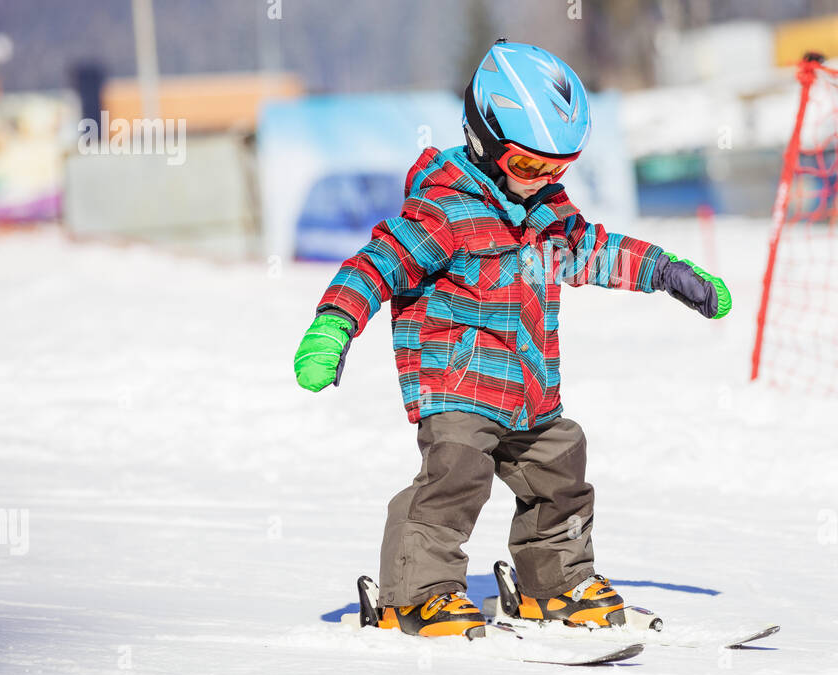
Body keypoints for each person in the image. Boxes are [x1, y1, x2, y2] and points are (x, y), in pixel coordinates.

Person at [293, 40, 730, 638]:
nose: (542, 182)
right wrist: (334, 325)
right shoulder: (443, 216)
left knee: (561, 471)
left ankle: (555, 585)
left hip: (530, 389)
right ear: (484, 140)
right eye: (529, 166)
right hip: (457, 387)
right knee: (456, 475)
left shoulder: (548, 213)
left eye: (557, 169)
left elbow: (597, 251)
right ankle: (416, 593)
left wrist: (667, 272)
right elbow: (374, 266)